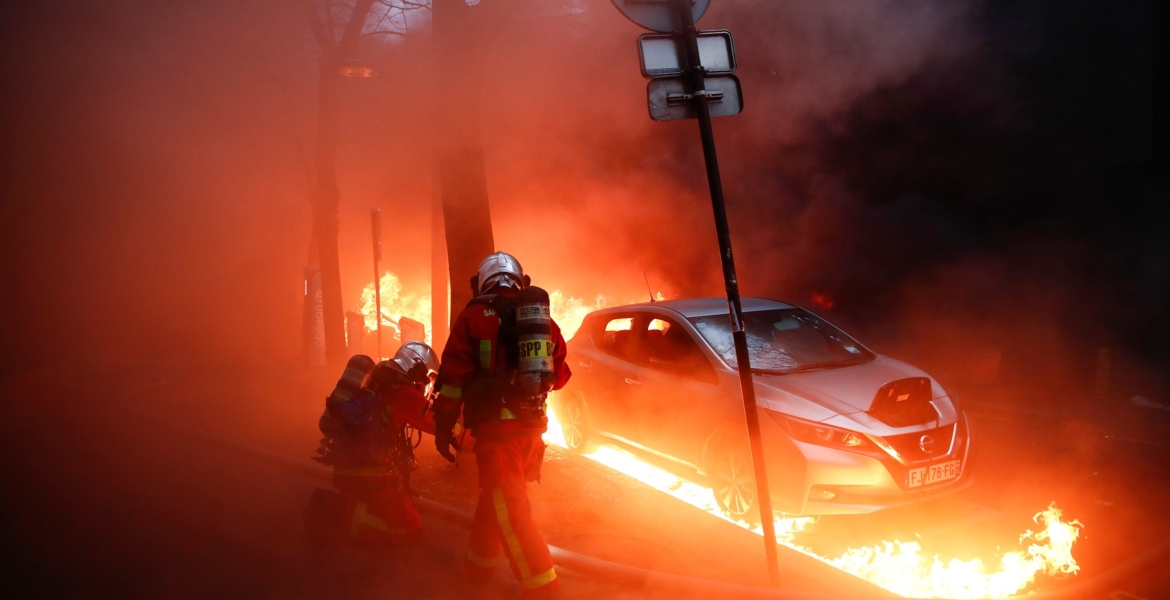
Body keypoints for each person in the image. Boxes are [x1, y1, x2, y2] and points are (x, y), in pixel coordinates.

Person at [432, 251, 571, 597]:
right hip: (532, 432)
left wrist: (443, 426)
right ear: (519, 280)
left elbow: (452, 380)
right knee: (497, 499)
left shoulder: (473, 317)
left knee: (512, 510)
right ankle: (476, 569)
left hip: (497, 435)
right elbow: (562, 376)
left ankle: (544, 589)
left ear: (481, 281)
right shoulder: (542, 321)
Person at [305, 342, 439, 546]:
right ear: (416, 367)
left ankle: (349, 525)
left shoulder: (376, 379)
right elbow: (438, 424)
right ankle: (333, 511)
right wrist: (473, 434)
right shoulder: (402, 392)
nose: (425, 383)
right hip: (373, 472)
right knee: (408, 530)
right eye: (426, 376)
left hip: (348, 463)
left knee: (387, 513)